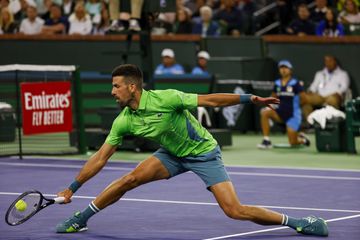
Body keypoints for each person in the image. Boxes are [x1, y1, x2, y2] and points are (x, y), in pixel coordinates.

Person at [55, 64, 328, 237]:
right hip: (172, 154)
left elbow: (210, 100)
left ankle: (297, 222)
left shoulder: (167, 98)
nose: (112, 92)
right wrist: (71, 188)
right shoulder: (124, 120)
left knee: (234, 210)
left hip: (204, 152)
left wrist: (250, 98)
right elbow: (100, 157)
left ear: (132, 86)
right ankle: (82, 218)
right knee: (129, 179)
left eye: (116, 86)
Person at [258, 60, 310, 149]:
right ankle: (266, 140)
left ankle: (303, 139)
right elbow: (273, 98)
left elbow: (305, 99)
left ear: (290, 70)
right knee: (265, 113)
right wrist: (270, 106)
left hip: (292, 115)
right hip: (280, 113)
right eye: (281, 68)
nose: (283, 70)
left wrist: (295, 107)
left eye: (285, 68)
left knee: (293, 143)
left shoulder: (295, 83)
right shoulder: (277, 83)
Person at [302, 55, 350, 119]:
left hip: (333, 97)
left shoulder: (343, 74)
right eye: (326, 61)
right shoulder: (319, 73)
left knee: (332, 100)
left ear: (335, 62)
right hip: (320, 97)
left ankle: (332, 124)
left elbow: (344, 87)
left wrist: (338, 93)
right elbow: (313, 86)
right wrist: (310, 91)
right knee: (305, 101)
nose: (328, 63)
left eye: (330, 61)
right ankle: (311, 124)